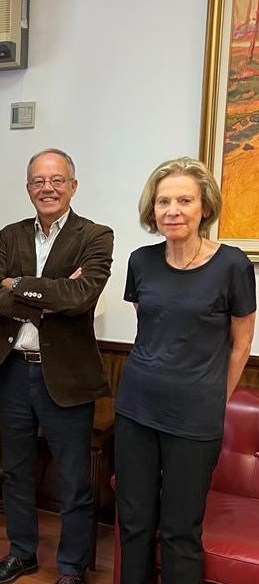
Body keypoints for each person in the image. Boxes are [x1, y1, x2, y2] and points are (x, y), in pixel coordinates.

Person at [115, 157, 256, 584]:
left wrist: (214, 397)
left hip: (194, 420)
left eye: (184, 200)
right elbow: (151, 329)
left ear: (204, 207)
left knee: (180, 531)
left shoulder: (232, 265)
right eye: (163, 201)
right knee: (134, 524)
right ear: (152, 209)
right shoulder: (141, 261)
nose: (172, 210)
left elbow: (242, 343)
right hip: (136, 410)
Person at [0, 148, 114, 584]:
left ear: (73, 186)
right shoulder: (11, 235)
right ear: (28, 187)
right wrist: (48, 295)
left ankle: (71, 568)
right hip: (13, 370)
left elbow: (80, 297)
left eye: (56, 180)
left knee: (73, 479)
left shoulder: (96, 236)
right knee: (16, 472)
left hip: (67, 376)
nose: (47, 188)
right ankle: (22, 554)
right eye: (38, 181)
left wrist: (17, 285)